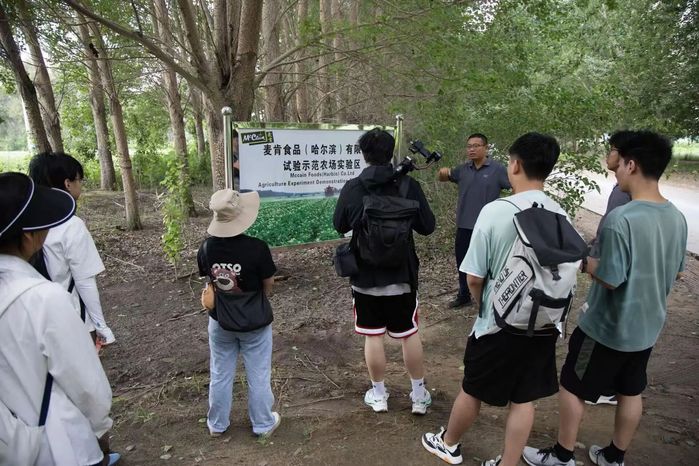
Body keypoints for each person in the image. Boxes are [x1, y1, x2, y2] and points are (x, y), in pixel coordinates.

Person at [522, 131, 688, 466]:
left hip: (605, 329)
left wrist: (582, 261)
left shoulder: (620, 219)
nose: (616, 172)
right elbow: (676, 272)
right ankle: (614, 457)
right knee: (630, 390)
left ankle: (562, 456)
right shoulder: (676, 217)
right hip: (647, 328)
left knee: (573, 385)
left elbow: (611, 279)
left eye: (619, 165)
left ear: (632, 165)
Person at [422, 133, 567, 466]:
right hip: (544, 319)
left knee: (473, 388)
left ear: (514, 165)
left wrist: (483, 305)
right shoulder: (560, 212)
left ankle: (448, 443)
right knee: (524, 399)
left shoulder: (496, 211)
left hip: (498, 323)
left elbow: (474, 278)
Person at [0, 172, 118, 465]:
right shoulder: (43, 298)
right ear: (28, 236)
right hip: (61, 445)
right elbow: (87, 384)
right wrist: (100, 426)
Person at [333, 128, 436, 415]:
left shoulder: (354, 187)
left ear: (364, 155)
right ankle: (419, 395)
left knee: (373, 335)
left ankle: (379, 396)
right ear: (391, 153)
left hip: (365, 275)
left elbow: (339, 224)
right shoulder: (408, 185)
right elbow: (427, 226)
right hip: (402, 275)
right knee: (409, 333)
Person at [197, 189, 281, 438]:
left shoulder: (207, 248)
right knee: (258, 373)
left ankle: (217, 424)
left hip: (220, 319)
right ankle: (263, 424)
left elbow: (209, 279)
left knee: (220, 373)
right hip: (255, 320)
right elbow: (268, 283)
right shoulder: (257, 248)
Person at [28, 152, 116, 345]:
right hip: (71, 320)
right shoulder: (71, 225)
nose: (80, 184)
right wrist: (101, 326)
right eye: (79, 179)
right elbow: (84, 281)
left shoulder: (25, 226)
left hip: (31, 321)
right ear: (67, 183)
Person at [586, 130, 633, 407]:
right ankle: (607, 385)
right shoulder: (619, 189)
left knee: (602, 325)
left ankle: (603, 386)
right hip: (602, 264)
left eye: (612, 149)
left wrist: (590, 261)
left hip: (609, 271)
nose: (608, 154)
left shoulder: (628, 194)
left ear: (628, 159)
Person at [437, 133, 510, 309]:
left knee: (489, 263)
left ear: (486, 148)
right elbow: (444, 177)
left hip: (488, 228)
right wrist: (442, 173)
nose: (472, 149)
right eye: (469, 146)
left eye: (476, 146)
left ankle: (490, 297)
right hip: (464, 225)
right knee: (463, 262)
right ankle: (464, 295)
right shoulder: (463, 169)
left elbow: (515, 186)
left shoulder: (497, 169)